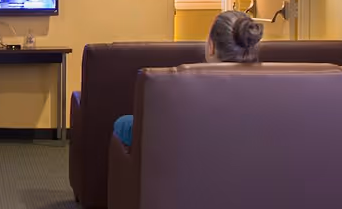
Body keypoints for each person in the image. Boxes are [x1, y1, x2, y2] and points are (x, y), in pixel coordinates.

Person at [112, 10, 264, 147]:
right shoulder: (273, 93)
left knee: (122, 124)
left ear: (211, 47)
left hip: (186, 167)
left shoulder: (184, 89)